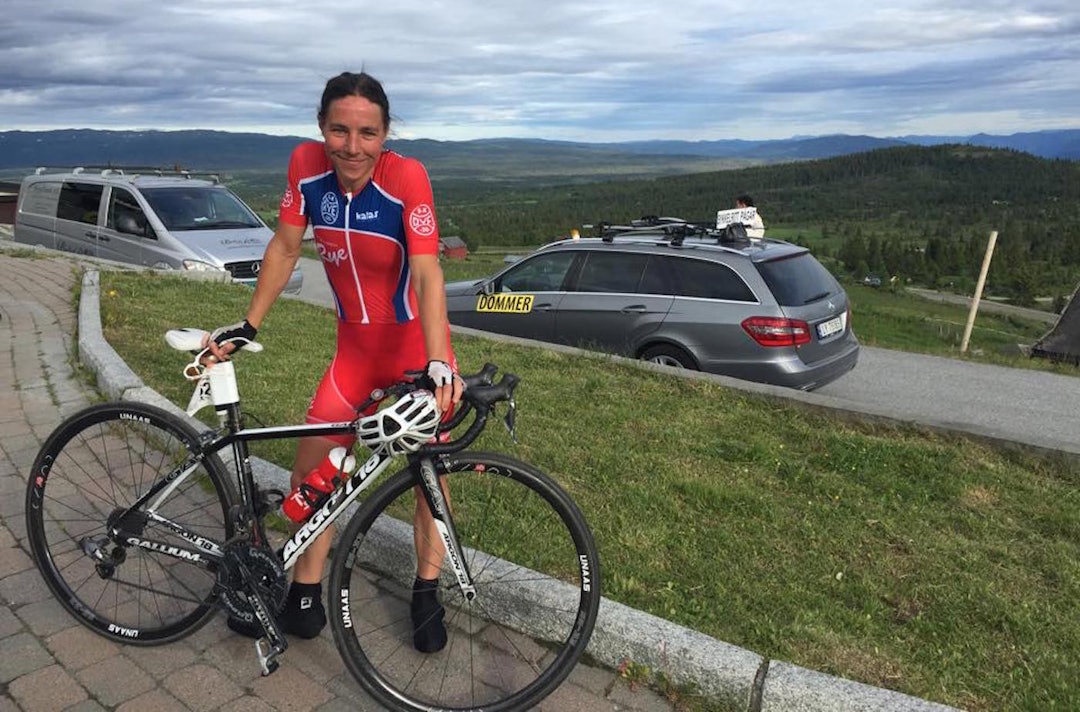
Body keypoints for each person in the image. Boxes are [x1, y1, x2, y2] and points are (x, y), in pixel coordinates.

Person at [203, 71, 464, 652]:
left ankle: (427, 591)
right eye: (340, 130)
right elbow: (285, 245)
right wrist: (249, 326)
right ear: (322, 127)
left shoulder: (406, 178)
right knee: (310, 474)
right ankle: (303, 594)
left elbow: (426, 270)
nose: (352, 146)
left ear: (385, 133)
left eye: (367, 133)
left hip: (415, 354)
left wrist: (441, 359)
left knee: (429, 481)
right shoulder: (306, 167)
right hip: (353, 354)